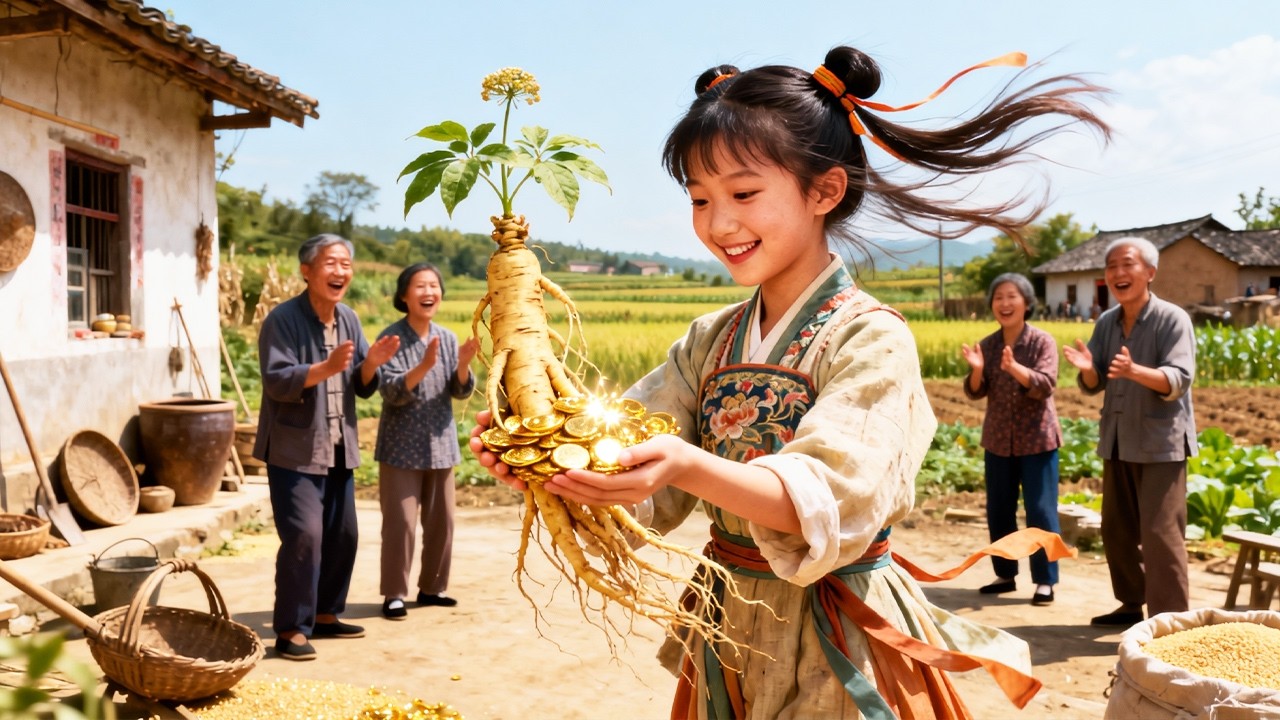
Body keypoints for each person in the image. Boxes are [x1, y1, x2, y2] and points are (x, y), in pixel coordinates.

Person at [472, 46, 1106, 717]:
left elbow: (829, 492)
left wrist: (684, 464)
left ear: (824, 190)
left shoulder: (872, 337)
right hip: (729, 628)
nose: (719, 223)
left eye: (744, 194)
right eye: (699, 199)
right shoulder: (709, 340)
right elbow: (630, 451)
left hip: (841, 631)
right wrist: (554, 464)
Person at [254, 233, 400, 661]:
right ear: (306, 271)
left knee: (343, 535)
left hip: (338, 445)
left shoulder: (349, 319)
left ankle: (324, 614)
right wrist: (325, 368)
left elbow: (360, 383)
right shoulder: (282, 319)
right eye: (330, 264)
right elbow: (278, 380)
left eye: (346, 265)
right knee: (304, 536)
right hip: (294, 449)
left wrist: (370, 365)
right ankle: (291, 631)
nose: (340, 272)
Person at [1063, 236, 1196, 628]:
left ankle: (1171, 622)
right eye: (1112, 268)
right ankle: (1129, 604)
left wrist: (1136, 371)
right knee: (1116, 530)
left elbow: (1179, 379)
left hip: (1161, 445)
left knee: (1160, 535)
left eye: (1128, 265)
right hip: (1118, 439)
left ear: (1149, 273)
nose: (1119, 273)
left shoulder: (1173, 319)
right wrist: (1089, 367)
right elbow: (1096, 379)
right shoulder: (1107, 322)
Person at [374, 263, 479, 620]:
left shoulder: (448, 338)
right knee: (400, 524)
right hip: (400, 447)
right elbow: (389, 391)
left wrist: (463, 364)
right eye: (420, 286)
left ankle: (433, 588)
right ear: (404, 296)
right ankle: (394, 594)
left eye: (434, 285)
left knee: (442, 521)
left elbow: (460, 391)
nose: (428, 292)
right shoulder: (391, 338)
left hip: (441, 442)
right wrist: (424, 365)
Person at [961, 273, 1063, 606]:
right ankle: (1005, 574)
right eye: (998, 298)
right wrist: (977, 369)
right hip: (999, 441)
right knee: (1000, 510)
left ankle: (1045, 581)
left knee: (1041, 512)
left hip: (1039, 441)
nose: (1004, 304)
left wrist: (1016, 368)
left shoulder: (1041, 341)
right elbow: (976, 392)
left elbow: (1046, 384)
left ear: (1027, 303)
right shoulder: (988, 345)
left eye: (1012, 297)